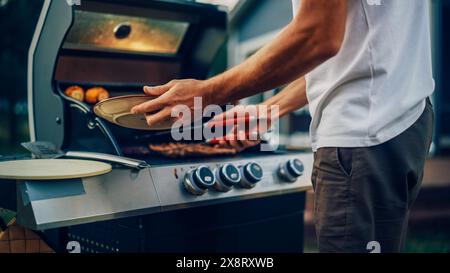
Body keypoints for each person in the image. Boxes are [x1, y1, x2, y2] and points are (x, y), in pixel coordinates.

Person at [131, 0, 434, 253]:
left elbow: (318, 37)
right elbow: (353, 51)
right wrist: (268, 109)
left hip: (361, 136)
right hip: (402, 120)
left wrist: (207, 92)